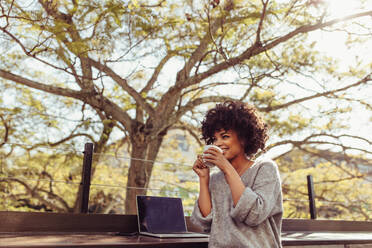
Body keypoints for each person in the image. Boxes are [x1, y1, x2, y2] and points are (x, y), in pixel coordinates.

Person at [191, 100, 283, 248]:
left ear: (244, 138)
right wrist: (203, 178)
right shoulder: (216, 178)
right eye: (214, 139)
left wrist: (226, 168)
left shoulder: (265, 169)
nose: (218, 143)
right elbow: (206, 222)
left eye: (225, 136)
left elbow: (255, 214)